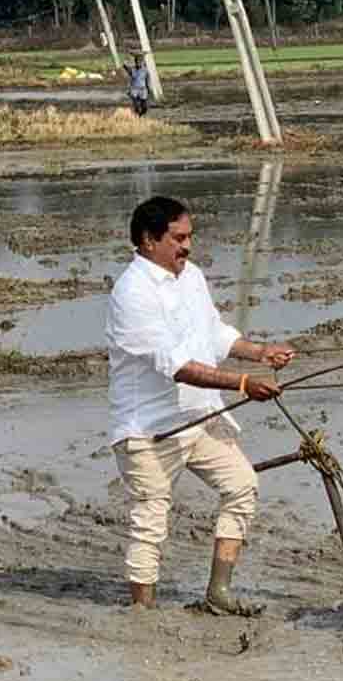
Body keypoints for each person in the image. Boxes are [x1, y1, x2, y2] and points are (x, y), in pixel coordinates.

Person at [106, 196, 295, 614]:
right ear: (148, 240)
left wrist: (261, 352)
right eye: (178, 238)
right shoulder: (132, 292)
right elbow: (176, 366)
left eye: (189, 237)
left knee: (242, 485)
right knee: (151, 519)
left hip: (200, 415)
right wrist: (243, 383)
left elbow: (215, 335)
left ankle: (218, 593)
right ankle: (143, 612)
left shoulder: (190, 276)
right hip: (149, 428)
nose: (187, 247)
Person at [122, 52, 150, 117]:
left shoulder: (145, 70)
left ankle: (140, 115)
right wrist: (127, 57)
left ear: (142, 63)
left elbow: (147, 80)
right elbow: (125, 66)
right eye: (137, 62)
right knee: (136, 105)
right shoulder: (132, 70)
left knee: (144, 108)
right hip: (134, 89)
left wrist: (148, 89)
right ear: (135, 62)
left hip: (143, 89)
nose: (139, 63)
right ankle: (137, 115)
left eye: (140, 62)